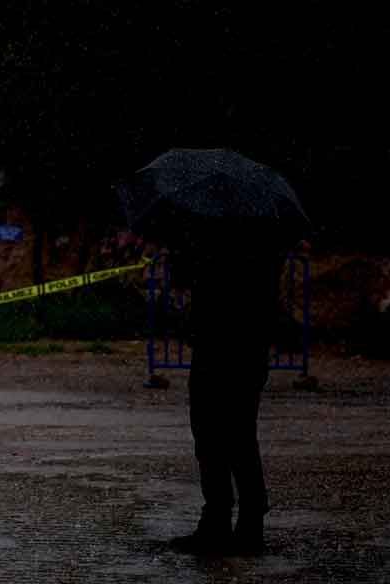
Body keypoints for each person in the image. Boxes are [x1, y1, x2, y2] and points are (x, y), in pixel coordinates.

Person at [166, 222, 287, 555]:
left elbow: (201, 286)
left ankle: (231, 523)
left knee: (223, 436)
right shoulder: (265, 241)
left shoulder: (217, 243)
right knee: (228, 436)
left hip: (225, 348)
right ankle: (234, 523)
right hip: (240, 349)